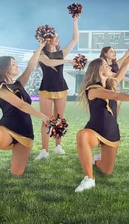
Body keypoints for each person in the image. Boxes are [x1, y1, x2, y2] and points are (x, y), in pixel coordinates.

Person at [0, 44, 49, 198]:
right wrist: (43, 116)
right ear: (4, 68)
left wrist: (40, 47)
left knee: (16, 173)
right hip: (8, 128)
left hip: (25, 132)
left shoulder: (18, 84)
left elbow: (30, 66)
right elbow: (20, 104)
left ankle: (6, 166)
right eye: (12, 64)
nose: (16, 65)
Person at [74, 41, 129, 192]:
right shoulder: (93, 88)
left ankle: (96, 160)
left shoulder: (111, 82)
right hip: (95, 129)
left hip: (111, 131)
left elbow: (125, 66)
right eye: (106, 66)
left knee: (107, 170)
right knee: (82, 135)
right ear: (99, 70)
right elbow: (116, 95)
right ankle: (89, 178)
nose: (110, 67)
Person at [34, 16, 79, 160]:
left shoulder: (61, 52)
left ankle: (58, 146)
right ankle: (44, 150)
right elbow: (48, 63)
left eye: (58, 37)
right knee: (47, 119)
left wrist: (75, 21)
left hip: (61, 87)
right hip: (46, 88)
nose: (57, 39)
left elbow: (75, 39)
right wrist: (67, 60)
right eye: (54, 37)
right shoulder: (41, 54)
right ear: (48, 39)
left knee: (59, 119)